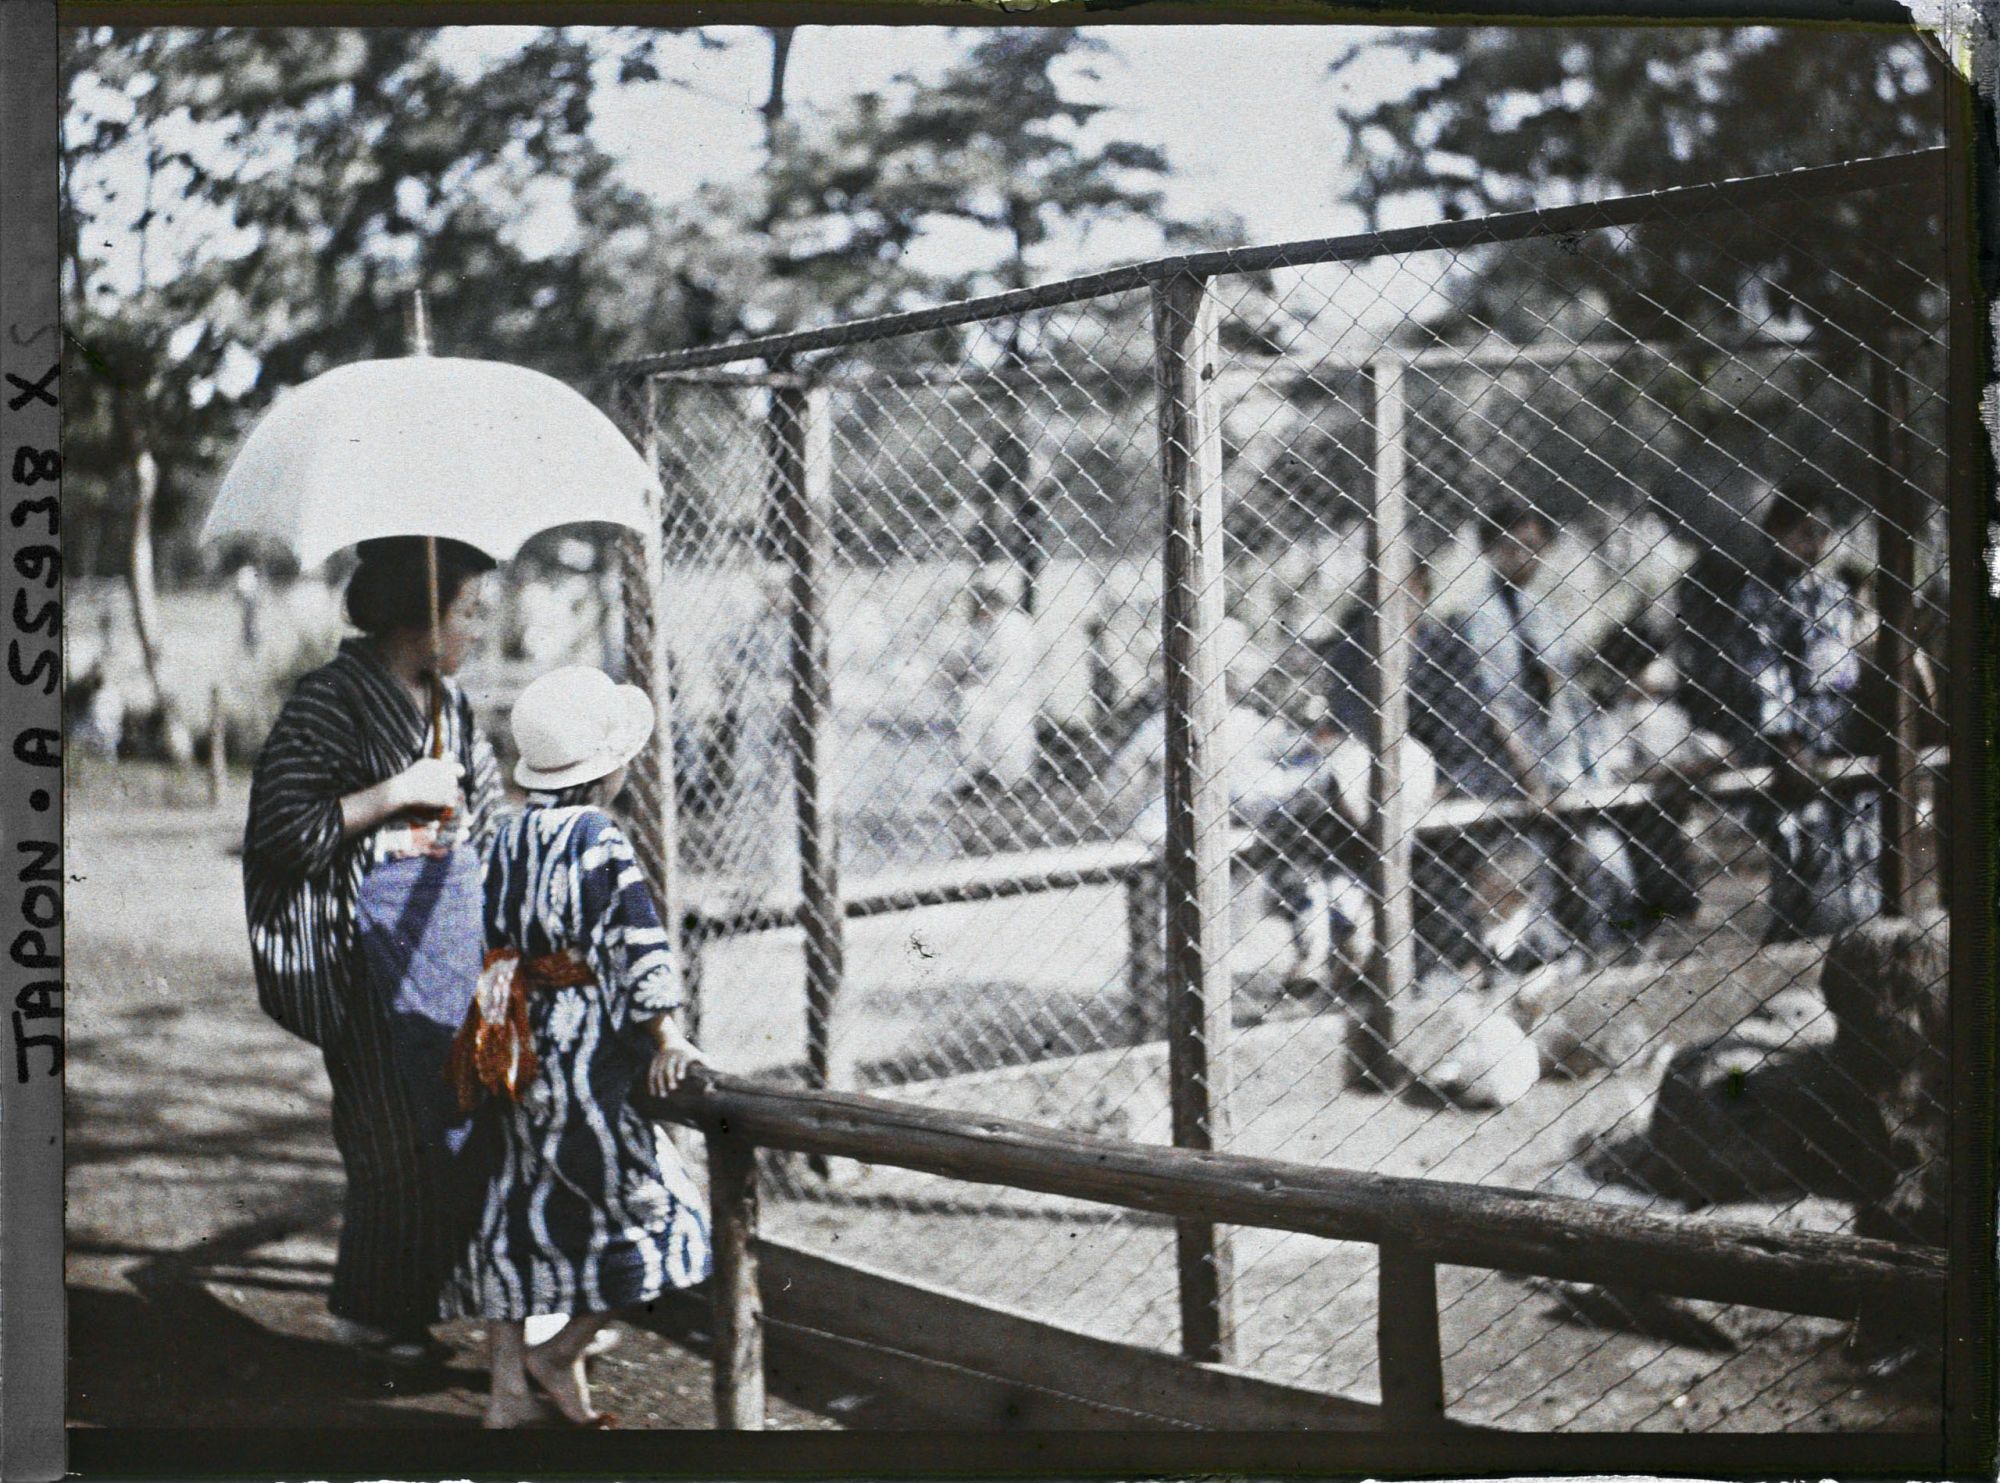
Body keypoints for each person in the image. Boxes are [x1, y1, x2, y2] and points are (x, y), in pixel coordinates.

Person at [241, 536, 501, 1362]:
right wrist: (397, 794)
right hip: (359, 946)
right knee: (388, 1129)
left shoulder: (453, 707)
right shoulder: (330, 699)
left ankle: (447, 1294)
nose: (477, 630)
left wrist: (464, 832)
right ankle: (371, 1311)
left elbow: (490, 818)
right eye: (467, 612)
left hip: (443, 940)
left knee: (456, 1116)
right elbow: (283, 827)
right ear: (418, 616)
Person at [441, 665, 711, 1429]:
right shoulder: (599, 838)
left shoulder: (507, 836)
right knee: (664, 1214)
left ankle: (506, 1392)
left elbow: (487, 938)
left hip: (516, 1044)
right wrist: (664, 1029)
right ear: (607, 770)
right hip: (584, 1057)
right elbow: (635, 938)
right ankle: (561, 1349)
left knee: (517, 1203)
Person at [1440, 497, 1637, 967]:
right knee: (1531, 876)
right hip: (1504, 773)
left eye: (1534, 546)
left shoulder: (1546, 614)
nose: (1525, 557)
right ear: (1490, 550)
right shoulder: (1475, 619)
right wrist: (1534, 784)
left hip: (1561, 766)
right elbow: (1496, 710)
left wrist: (1587, 768)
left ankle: (1605, 951)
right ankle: (1540, 959)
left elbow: (1566, 698)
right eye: (1512, 547)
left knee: (1607, 860)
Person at [1724, 488, 1880, 942]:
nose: (1815, 544)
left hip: (1845, 729)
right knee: (1802, 838)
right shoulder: (1761, 597)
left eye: (1822, 533)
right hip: (1797, 739)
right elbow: (1765, 671)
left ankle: (1861, 929)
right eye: (1804, 533)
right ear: (1778, 533)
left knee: (1860, 837)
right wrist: (1785, 740)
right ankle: (1802, 932)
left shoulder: (1833, 592)